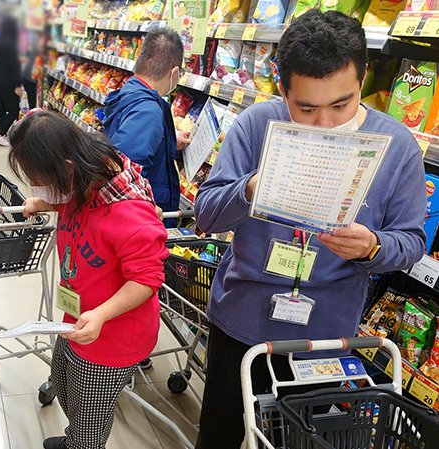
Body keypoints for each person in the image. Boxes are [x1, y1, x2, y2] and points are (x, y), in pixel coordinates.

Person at [194, 10, 426, 449]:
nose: (325, 124)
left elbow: (411, 242)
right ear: (283, 90)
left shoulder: (398, 149)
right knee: (221, 434)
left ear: (364, 79)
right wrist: (252, 188)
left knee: (301, 441)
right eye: (306, 108)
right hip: (241, 323)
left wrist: (373, 247)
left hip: (327, 336)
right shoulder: (255, 126)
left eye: (342, 104)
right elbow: (205, 214)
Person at [8, 110, 168, 449]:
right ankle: (73, 439)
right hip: (78, 319)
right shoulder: (84, 178)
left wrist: (102, 314)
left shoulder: (126, 210)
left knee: (89, 422)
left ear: (67, 168)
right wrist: (43, 202)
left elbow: (147, 278)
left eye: (42, 180)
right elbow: (68, 199)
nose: (40, 187)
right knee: (64, 387)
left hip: (111, 336)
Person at [103, 27, 190, 228]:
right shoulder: (148, 111)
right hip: (142, 223)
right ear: (175, 72)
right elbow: (125, 172)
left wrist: (167, 141)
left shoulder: (131, 89)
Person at [0, 16, 23, 147]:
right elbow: (15, 66)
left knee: (0, 109)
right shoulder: (13, 44)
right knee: (14, 109)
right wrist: (18, 84)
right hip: (7, 82)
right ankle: (1, 133)